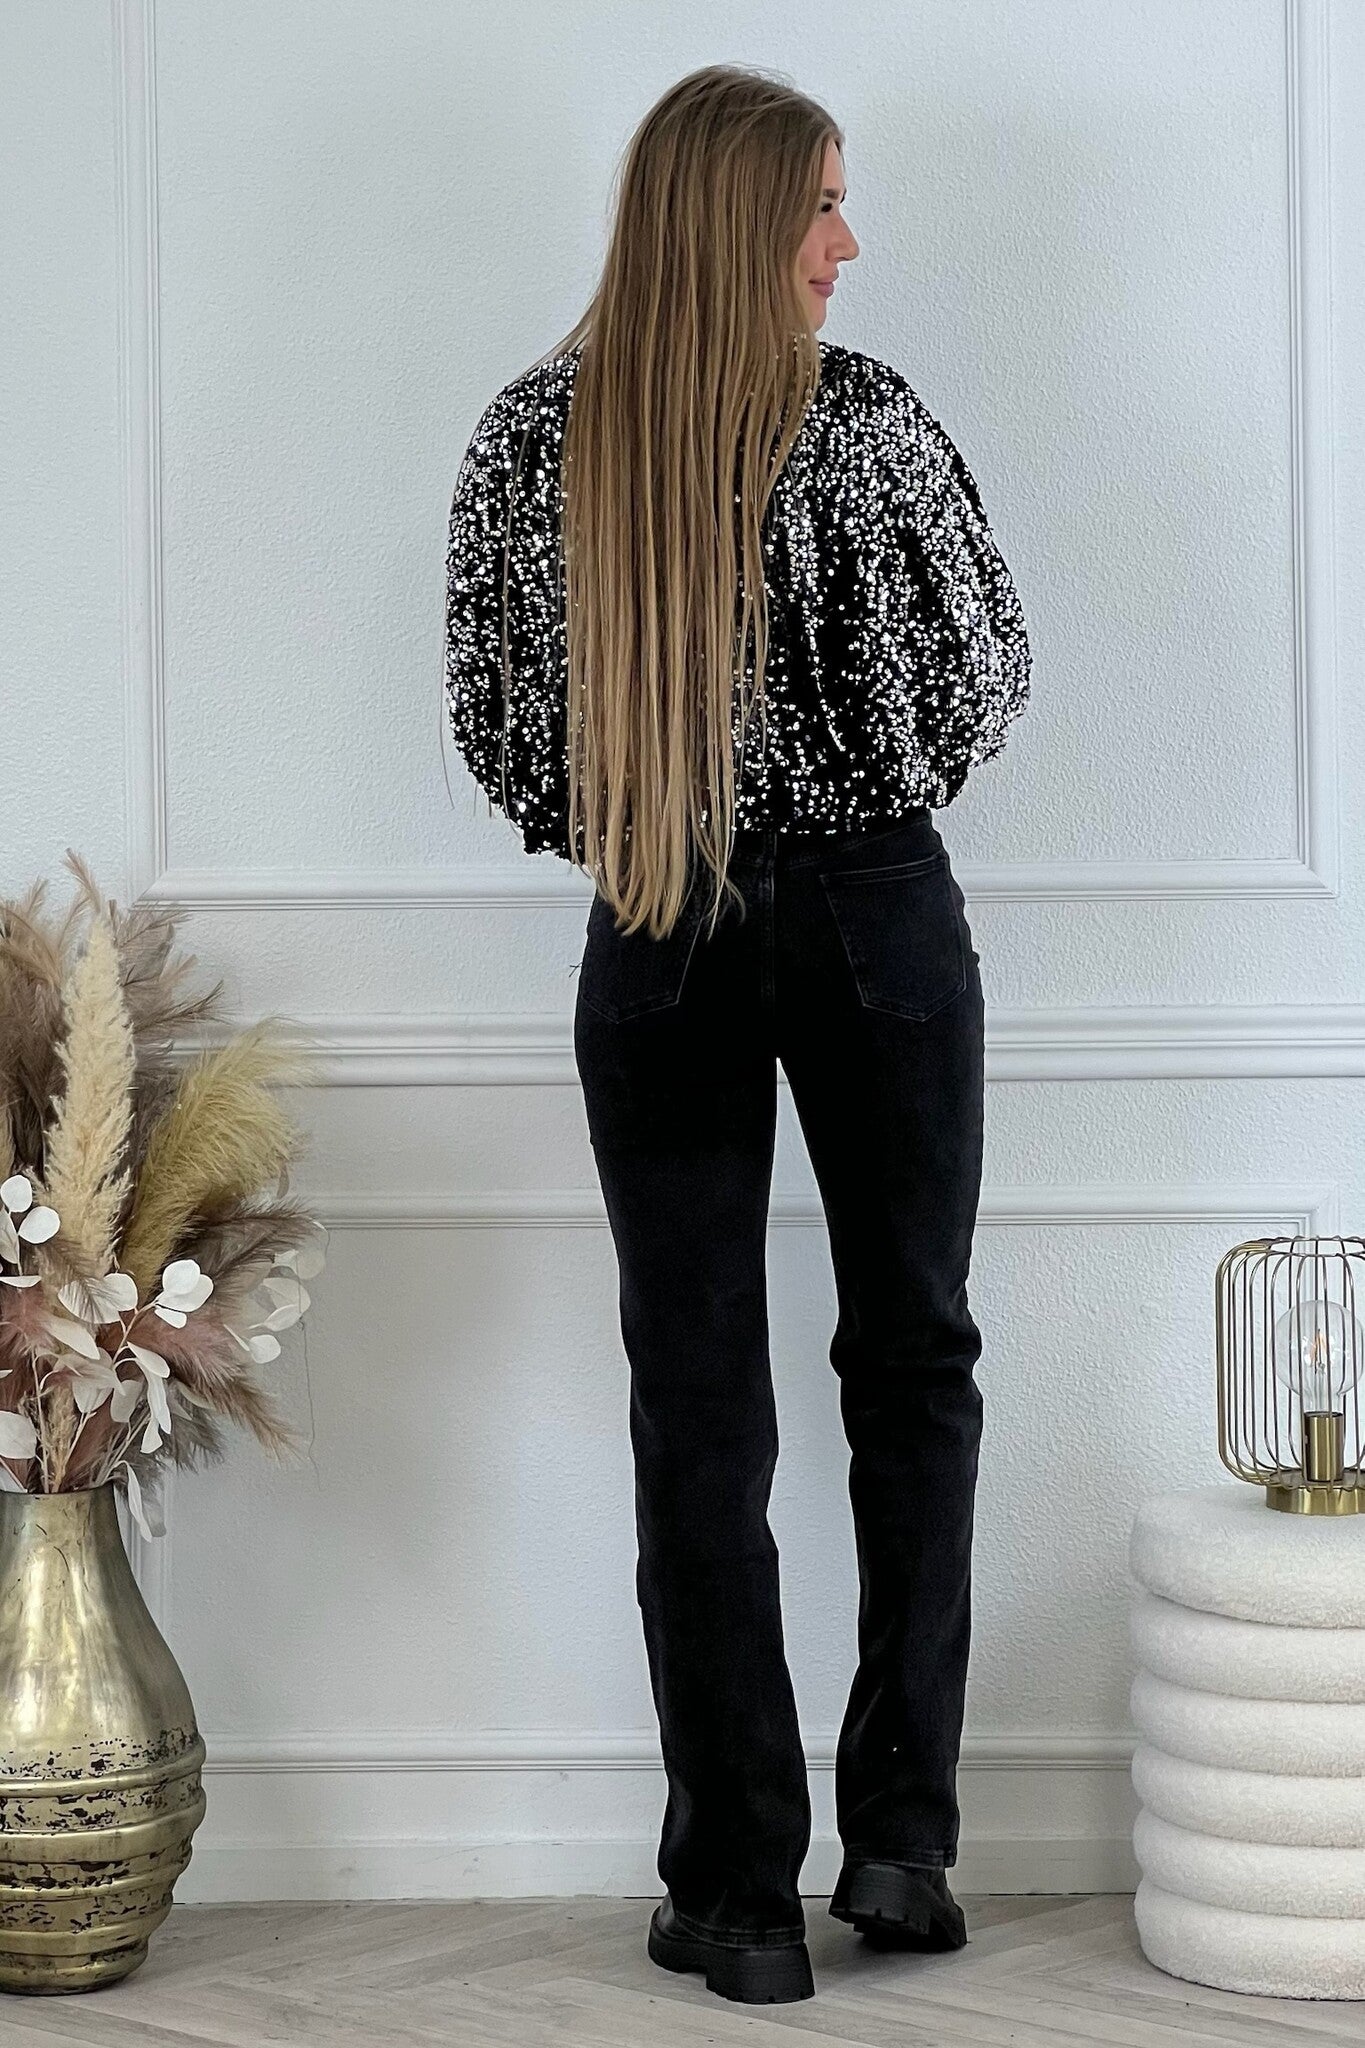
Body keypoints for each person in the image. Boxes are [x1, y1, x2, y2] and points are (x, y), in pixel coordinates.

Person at [443, 63, 1032, 2009]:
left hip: (657, 916)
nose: (845, 244)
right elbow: (972, 683)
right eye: (820, 206)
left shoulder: (532, 444)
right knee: (913, 1361)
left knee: (696, 1405)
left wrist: (664, 803)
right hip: (875, 915)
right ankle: (902, 1843)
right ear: (739, 222)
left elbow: (505, 735)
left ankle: (736, 1895)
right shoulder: (861, 428)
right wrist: (836, 777)